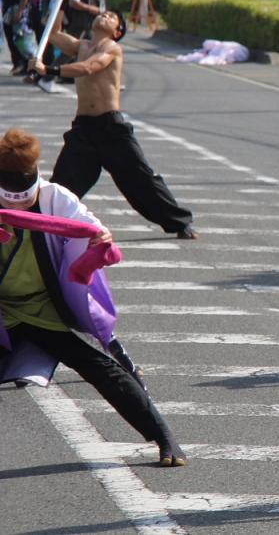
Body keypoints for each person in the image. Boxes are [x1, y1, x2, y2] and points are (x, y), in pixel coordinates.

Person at [0, 128, 186, 467]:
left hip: (44, 308)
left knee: (100, 368)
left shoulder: (56, 197)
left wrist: (101, 238)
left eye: (23, 195)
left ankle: (164, 436)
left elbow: (95, 230)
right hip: (2, 311)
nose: (19, 201)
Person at [28, 0, 197, 240]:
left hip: (111, 128)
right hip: (84, 129)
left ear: (117, 31)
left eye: (111, 17)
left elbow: (89, 68)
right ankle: (40, 227)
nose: (105, 16)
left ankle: (179, 222)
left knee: (141, 180)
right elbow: (53, 33)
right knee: (63, 184)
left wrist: (49, 69)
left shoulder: (112, 48)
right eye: (104, 13)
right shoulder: (82, 45)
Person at [21, 0, 58, 87]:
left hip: (46, 16)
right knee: (39, 44)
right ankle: (39, 72)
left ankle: (48, 73)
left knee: (47, 46)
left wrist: (48, 15)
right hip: (35, 15)